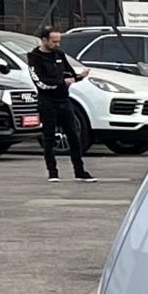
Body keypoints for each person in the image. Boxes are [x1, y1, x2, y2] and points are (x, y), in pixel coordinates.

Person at [29, 27, 93, 183]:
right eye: (54, 41)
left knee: (73, 135)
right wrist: (60, 83)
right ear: (44, 40)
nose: (57, 44)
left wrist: (79, 77)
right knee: (49, 137)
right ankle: (53, 171)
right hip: (47, 101)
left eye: (59, 41)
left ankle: (79, 170)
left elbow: (69, 74)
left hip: (64, 100)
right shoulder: (34, 57)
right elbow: (40, 82)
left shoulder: (59, 55)